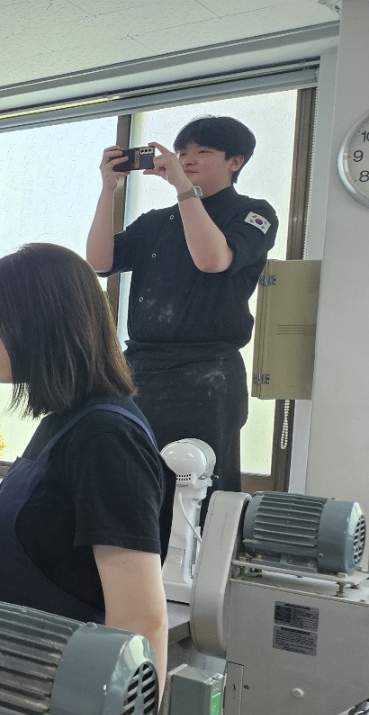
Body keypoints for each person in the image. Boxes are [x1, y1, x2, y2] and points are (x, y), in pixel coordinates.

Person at [0, 242, 173, 691]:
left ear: (42, 323)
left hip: (64, 696)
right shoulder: (65, 422)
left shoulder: (106, 437)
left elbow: (141, 620)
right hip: (15, 683)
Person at [86, 116, 279, 495]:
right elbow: (99, 262)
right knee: (133, 482)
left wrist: (183, 190)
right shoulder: (156, 222)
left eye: (203, 151)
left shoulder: (254, 213)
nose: (188, 159)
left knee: (200, 488)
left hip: (208, 374)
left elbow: (213, 259)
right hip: (141, 369)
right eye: (182, 152)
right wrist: (108, 190)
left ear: (235, 161)